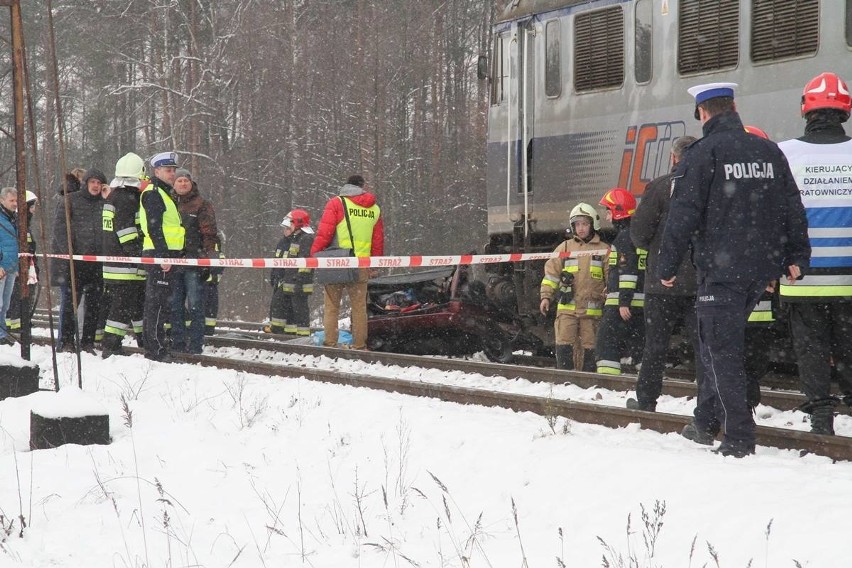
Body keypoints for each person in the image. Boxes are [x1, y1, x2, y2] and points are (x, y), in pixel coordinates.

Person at [657, 82, 811, 457]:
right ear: (734, 106)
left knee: (719, 352)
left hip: (721, 270)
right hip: (760, 269)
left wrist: (667, 264)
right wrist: (797, 255)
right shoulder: (767, 150)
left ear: (702, 113)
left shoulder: (702, 153)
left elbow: (683, 216)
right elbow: (791, 204)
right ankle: (706, 421)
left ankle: (738, 438)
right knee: (719, 345)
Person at [778, 72, 852, 435]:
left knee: (811, 349)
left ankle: (822, 418)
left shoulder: (784, 154)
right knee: (850, 344)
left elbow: (770, 216)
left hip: (801, 275)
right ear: (846, 111)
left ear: (806, 110)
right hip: (850, 278)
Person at [627, 136, 699, 411]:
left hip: (662, 283)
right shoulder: (709, 186)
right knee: (703, 349)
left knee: (655, 345)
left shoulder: (658, 187)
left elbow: (639, 235)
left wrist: (658, 248)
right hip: (698, 283)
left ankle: (646, 400)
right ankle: (709, 406)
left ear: (673, 158)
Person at [310, 174, 383, 350]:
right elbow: (378, 240)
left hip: (337, 263)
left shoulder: (337, 203)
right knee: (359, 308)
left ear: (346, 186)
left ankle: (330, 343)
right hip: (361, 264)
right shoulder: (374, 209)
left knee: (331, 306)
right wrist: (375, 264)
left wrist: (314, 256)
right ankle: (359, 345)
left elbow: (325, 233)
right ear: (362, 187)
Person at [539, 203, 606, 371]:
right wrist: (546, 296)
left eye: (584, 224)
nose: (581, 228)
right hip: (566, 309)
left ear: (593, 225)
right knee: (564, 344)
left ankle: (588, 382)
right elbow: (551, 275)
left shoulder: (605, 250)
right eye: (577, 224)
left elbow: (611, 277)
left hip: (591, 312)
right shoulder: (565, 248)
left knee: (590, 348)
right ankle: (565, 381)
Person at [51, 168, 108, 353]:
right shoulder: (71, 200)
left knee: (94, 304)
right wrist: (69, 253)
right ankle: (67, 341)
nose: (96, 186)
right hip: (75, 262)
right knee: (70, 304)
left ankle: (87, 342)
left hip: (98, 262)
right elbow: (59, 228)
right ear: (86, 183)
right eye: (92, 182)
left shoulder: (105, 203)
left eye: (99, 183)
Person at [139, 151, 185, 362]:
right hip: (160, 256)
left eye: (174, 170)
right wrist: (163, 255)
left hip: (167, 256)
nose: (172, 174)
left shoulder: (166, 193)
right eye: (168, 170)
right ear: (157, 171)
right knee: (156, 305)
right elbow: (154, 227)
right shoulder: (154, 192)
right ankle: (155, 349)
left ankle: (159, 345)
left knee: (163, 304)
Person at [100, 153, 148, 358]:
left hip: (116, 264)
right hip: (126, 266)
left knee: (136, 305)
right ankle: (111, 346)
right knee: (122, 308)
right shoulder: (128, 198)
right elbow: (126, 231)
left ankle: (145, 340)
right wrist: (139, 255)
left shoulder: (114, 196)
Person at [595, 188, 645, 375]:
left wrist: (624, 300)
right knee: (640, 343)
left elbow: (627, 271)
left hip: (621, 304)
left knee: (606, 343)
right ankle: (649, 378)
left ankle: (608, 383)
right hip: (640, 300)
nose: (607, 218)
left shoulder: (623, 238)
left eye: (608, 212)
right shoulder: (638, 234)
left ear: (618, 212)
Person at [169, 168, 219, 354]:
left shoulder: (202, 205)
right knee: (174, 305)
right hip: (173, 261)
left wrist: (209, 260)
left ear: (191, 183)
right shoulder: (169, 203)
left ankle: (195, 344)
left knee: (196, 305)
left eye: (186, 181)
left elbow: (210, 234)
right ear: (174, 184)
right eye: (179, 180)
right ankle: (178, 342)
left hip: (194, 262)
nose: (183, 184)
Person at [268, 210, 315, 336]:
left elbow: (305, 263)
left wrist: (299, 280)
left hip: (300, 282)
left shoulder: (306, 239)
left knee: (300, 309)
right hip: (291, 281)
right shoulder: (296, 238)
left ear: (298, 224)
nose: (287, 228)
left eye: (290, 224)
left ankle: (303, 335)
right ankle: (287, 333)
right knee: (284, 305)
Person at [5, 191, 39, 334]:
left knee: (20, 295)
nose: (34, 210)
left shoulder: (24, 224)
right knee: (16, 295)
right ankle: (14, 325)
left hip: (26, 266)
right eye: (32, 207)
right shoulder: (18, 224)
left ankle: (18, 323)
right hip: (18, 267)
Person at [0, 187, 19, 345]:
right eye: (11, 200)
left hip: (11, 267)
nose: (15, 203)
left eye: (16, 200)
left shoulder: (13, 218)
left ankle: (2, 332)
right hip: (1, 267)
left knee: (5, 304)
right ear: (2, 200)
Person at [203, 233, 225, 336]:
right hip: (204, 283)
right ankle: (204, 329)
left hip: (212, 284)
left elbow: (221, 262)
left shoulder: (216, 243)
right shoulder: (201, 240)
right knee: (205, 307)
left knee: (211, 308)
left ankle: (209, 330)